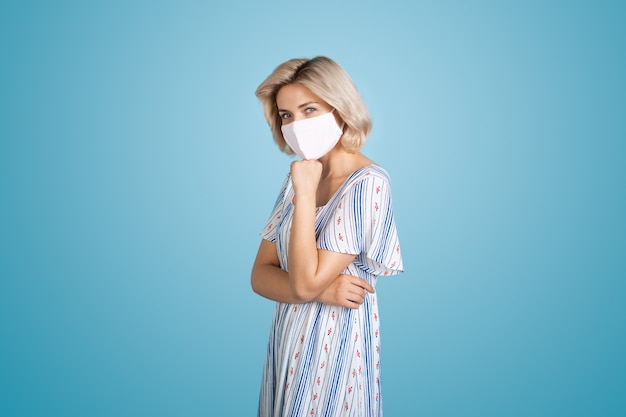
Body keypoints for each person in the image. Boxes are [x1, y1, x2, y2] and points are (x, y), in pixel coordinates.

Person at [251, 56, 404, 417]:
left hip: (333, 353)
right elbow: (260, 274)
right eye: (287, 115)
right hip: (287, 344)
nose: (296, 125)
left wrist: (305, 196)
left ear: (340, 109)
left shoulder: (368, 184)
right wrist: (324, 288)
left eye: (309, 110)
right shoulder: (298, 177)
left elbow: (302, 285)